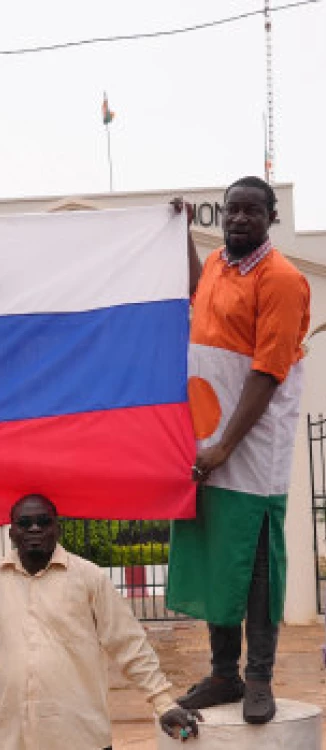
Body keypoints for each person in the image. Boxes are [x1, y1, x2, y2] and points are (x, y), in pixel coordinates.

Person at [166, 176, 311, 724]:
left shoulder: (282, 280)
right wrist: (182, 234)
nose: (240, 219)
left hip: (250, 450)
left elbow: (268, 372)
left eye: (252, 211)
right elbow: (193, 291)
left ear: (272, 218)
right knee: (215, 562)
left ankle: (258, 679)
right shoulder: (221, 267)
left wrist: (226, 444)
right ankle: (224, 674)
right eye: (232, 210)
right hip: (209, 441)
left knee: (253, 567)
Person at [0, 495, 200, 749]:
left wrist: (163, 703)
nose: (34, 529)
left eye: (44, 521)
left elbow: (128, 644)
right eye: (25, 523)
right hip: (12, 740)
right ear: (11, 532)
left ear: (57, 528)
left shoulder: (89, 578)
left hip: (80, 738)